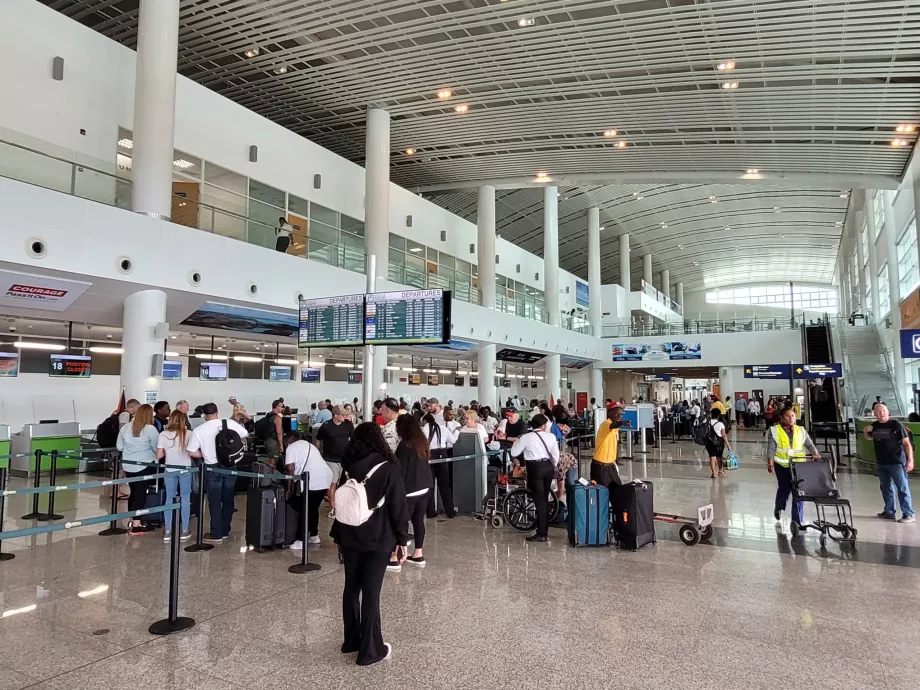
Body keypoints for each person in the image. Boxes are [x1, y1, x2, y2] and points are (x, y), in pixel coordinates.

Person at [331, 422, 408, 666]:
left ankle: (351, 640)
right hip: (378, 536)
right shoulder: (389, 467)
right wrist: (402, 539)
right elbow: (398, 507)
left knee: (351, 587)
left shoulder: (348, 463)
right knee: (372, 592)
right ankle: (371, 649)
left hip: (349, 533)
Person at [186, 403, 249, 542]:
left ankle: (216, 533)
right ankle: (226, 530)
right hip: (230, 466)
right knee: (228, 498)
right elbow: (245, 434)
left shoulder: (199, 430)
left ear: (204, 414)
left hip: (212, 467)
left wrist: (205, 454)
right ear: (217, 411)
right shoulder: (229, 423)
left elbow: (191, 451)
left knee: (214, 501)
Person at [509, 414, 560, 542]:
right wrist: (550, 465)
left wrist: (517, 441)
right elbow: (555, 455)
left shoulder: (527, 437)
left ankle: (542, 533)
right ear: (543, 426)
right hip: (548, 466)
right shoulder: (551, 436)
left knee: (539, 500)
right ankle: (543, 528)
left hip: (535, 468)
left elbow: (514, 453)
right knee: (545, 498)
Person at [393, 414, 433, 569]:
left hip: (409, 490)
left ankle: (394, 556)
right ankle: (418, 554)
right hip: (424, 487)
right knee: (418, 521)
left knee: (400, 522)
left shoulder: (404, 446)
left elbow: (400, 471)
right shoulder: (422, 442)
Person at [767, 407, 820, 524]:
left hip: (799, 465)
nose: (791, 418)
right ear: (781, 417)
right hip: (782, 465)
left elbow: (809, 444)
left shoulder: (800, 430)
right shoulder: (774, 430)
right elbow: (771, 447)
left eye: (793, 416)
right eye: (788, 416)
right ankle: (779, 507)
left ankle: (796, 521)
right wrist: (770, 463)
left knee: (799, 491)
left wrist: (815, 453)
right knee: (784, 488)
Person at [863, 404, 915, 523]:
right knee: (885, 488)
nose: (881, 413)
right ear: (875, 414)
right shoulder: (874, 426)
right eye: (878, 411)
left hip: (896, 462)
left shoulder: (896, 425)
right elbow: (869, 438)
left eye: (883, 411)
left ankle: (908, 513)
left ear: (888, 412)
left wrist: (910, 460)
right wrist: (866, 432)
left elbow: (907, 444)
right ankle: (889, 511)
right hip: (881, 462)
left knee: (902, 488)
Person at [285, 431, 334, 550]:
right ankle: (314, 535)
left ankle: (301, 540)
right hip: (326, 477)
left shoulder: (291, 448)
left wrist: (289, 488)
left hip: (311, 480)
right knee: (313, 508)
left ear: (290, 439)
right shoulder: (309, 445)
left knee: (304, 509)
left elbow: (291, 470)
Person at [116, 403, 160, 533]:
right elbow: (157, 448)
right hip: (145, 466)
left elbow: (119, 447)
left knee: (134, 492)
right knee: (140, 494)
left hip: (128, 466)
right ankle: (136, 525)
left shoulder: (125, 428)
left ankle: (133, 519)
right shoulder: (150, 429)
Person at [156, 409, 194, 541]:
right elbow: (192, 452)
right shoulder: (188, 433)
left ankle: (167, 531)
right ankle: (184, 530)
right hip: (185, 469)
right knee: (185, 499)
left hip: (169, 470)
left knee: (169, 499)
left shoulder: (163, 434)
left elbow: (159, 455)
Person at [423, 411, 458, 519]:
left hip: (429, 456)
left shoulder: (425, 428)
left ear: (425, 421)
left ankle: (430, 512)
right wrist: (457, 431)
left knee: (430, 485)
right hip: (442, 455)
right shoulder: (443, 428)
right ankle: (450, 511)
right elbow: (453, 440)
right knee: (444, 485)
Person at [592, 407, 628, 502]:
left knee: (618, 492)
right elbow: (613, 425)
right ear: (610, 413)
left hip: (610, 466)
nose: (619, 416)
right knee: (602, 496)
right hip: (600, 467)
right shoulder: (605, 424)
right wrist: (622, 423)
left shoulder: (615, 428)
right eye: (617, 414)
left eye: (621, 414)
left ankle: (618, 514)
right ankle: (602, 515)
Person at [316, 405, 354, 485]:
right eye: (342, 415)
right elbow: (318, 439)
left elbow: (353, 439)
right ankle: (332, 498)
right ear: (336, 415)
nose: (345, 416)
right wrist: (317, 455)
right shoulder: (326, 426)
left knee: (344, 482)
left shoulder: (348, 424)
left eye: (345, 414)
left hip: (344, 459)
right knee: (332, 482)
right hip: (330, 459)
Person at [704, 408, 734, 479]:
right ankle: (720, 471)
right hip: (719, 442)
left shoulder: (707, 422)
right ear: (718, 415)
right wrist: (728, 445)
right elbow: (724, 435)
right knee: (719, 457)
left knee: (712, 457)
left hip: (709, 442)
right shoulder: (721, 424)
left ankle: (713, 473)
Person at [256, 399, 286, 466]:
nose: (282, 408)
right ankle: (271, 475)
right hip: (273, 442)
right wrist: (281, 445)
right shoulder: (277, 418)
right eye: (281, 406)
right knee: (273, 460)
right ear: (276, 406)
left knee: (270, 458)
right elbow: (279, 432)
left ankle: (269, 472)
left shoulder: (268, 416)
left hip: (267, 440)